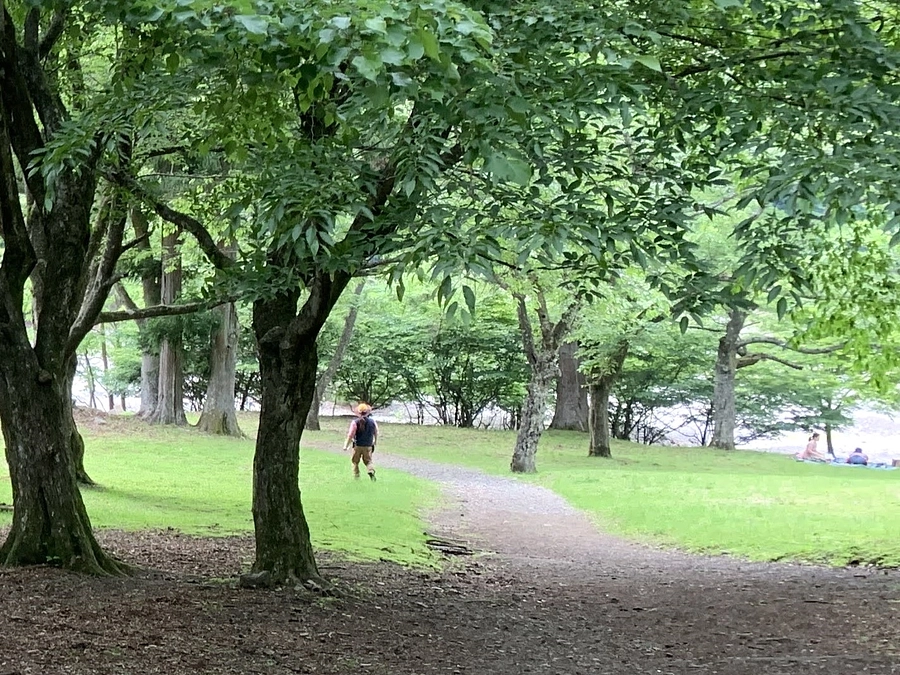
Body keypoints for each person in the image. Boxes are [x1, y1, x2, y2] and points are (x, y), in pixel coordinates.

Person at [343, 403, 378, 481]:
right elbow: (376, 432)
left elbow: (350, 435)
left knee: (355, 462)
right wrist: (375, 441)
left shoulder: (355, 422)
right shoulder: (373, 422)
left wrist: (346, 445)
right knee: (368, 461)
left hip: (357, 445)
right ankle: (371, 471)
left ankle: (357, 477)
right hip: (368, 445)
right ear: (367, 412)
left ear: (358, 412)